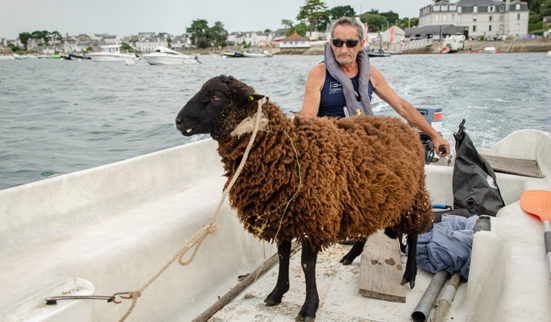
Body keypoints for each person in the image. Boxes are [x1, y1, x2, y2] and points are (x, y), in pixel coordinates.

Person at [301, 17, 450, 157]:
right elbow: (308, 123)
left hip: (364, 143)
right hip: (331, 148)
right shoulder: (318, 73)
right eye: (338, 43)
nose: (344, 49)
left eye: (351, 43)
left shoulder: (371, 74)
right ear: (331, 43)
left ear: (361, 44)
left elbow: (402, 107)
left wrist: (435, 136)